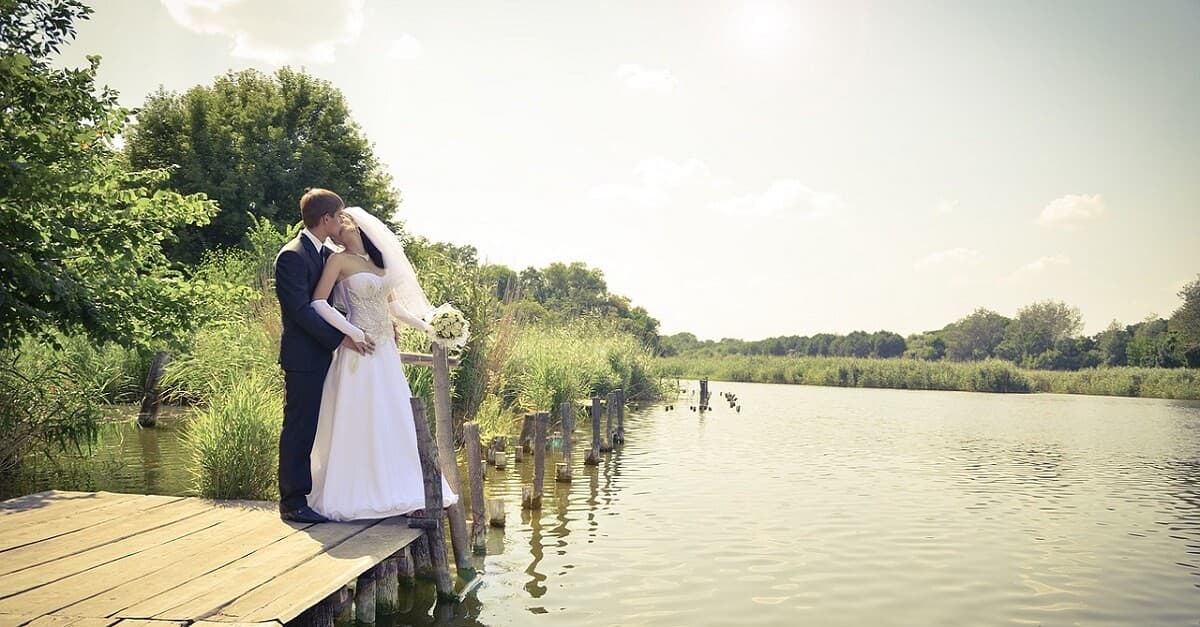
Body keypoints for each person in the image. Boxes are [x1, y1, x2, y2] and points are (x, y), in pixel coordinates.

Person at [306, 206, 459, 521]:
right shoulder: (338, 260)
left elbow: (397, 310)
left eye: (344, 220)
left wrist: (429, 328)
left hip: (386, 351)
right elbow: (318, 303)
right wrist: (352, 332)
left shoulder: (379, 263)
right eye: (337, 221)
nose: (339, 225)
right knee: (359, 415)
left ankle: (399, 485)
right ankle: (358, 490)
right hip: (359, 350)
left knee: (392, 414)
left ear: (358, 226)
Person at [274, 188, 373, 524]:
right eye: (338, 216)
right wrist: (341, 338)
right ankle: (292, 502)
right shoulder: (292, 255)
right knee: (299, 428)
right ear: (326, 218)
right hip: (302, 358)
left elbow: (335, 302)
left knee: (315, 427)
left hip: (322, 356)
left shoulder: (325, 253)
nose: (342, 221)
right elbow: (300, 311)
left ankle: (313, 494)